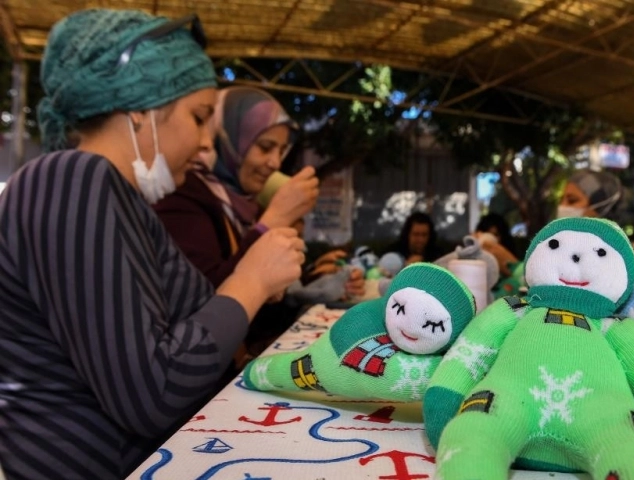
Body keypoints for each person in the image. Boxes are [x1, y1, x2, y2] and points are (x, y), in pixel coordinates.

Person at [0, 10, 305, 480]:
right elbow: (152, 393)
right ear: (140, 110)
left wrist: (255, 285)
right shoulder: (74, 177)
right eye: (200, 117)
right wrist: (250, 280)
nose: (207, 145)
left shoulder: (123, 201)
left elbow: (190, 329)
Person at [153, 86, 363, 354]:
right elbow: (206, 301)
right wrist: (276, 219)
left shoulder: (240, 206)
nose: (275, 163)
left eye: (282, 150)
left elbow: (261, 313)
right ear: (225, 138)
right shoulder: (184, 194)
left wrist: (318, 281)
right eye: (265, 147)